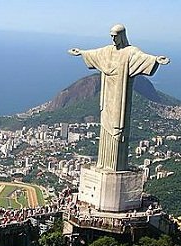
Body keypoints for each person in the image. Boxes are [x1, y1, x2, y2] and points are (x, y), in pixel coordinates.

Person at [69, 24, 169, 171]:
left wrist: (155, 60)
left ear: (122, 36)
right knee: (105, 128)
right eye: (111, 36)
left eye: (116, 36)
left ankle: (116, 165)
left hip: (119, 98)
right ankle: (103, 163)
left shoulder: (130, 52)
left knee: (117, 128)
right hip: (107, 97)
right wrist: (81, 52)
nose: (113, 39)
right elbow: (94, 54)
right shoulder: (107, 51)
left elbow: (143, 58)